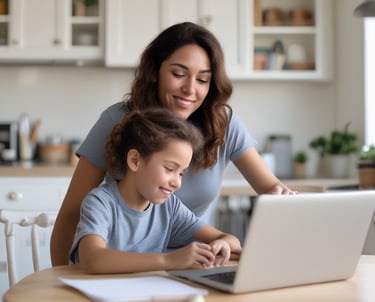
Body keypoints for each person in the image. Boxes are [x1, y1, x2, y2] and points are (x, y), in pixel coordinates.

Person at [51, 21, 295, 266]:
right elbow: (72, 216)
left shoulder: (222, 124)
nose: (190, 89)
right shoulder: (117, 122)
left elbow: (270, 189)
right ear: (155, 72)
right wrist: (60, 282)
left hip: (194, 265)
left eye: (203, 79)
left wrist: (281, 197)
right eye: (178, 74)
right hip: (121, 266)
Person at [69, 108, 242, 273]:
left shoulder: (169, 207)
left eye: (181, 173)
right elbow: (93, 259)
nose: (177, 183)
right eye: (169, 169)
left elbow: (230, 240)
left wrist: (224, 243)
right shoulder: (100, 203)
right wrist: (168, 260)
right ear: (135, 160)